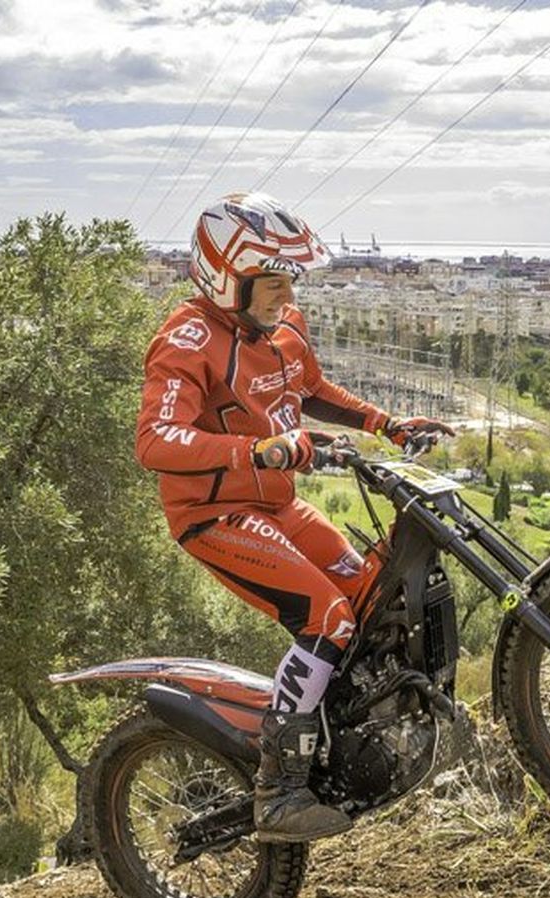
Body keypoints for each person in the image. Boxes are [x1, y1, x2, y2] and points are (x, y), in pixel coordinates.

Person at [135, 191, 452, 842]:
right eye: (273, 282)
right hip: (215, 514)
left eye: (290, 280)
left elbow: (309, 392)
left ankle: (355, 736)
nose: (286, 294)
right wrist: (257, 448)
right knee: (327, 616)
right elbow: (155, 440)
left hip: (277, 503)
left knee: (372, 598)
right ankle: (279, 787)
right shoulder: (188, 336)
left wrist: (384, 423)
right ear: (230, 278)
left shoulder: (283, 327)